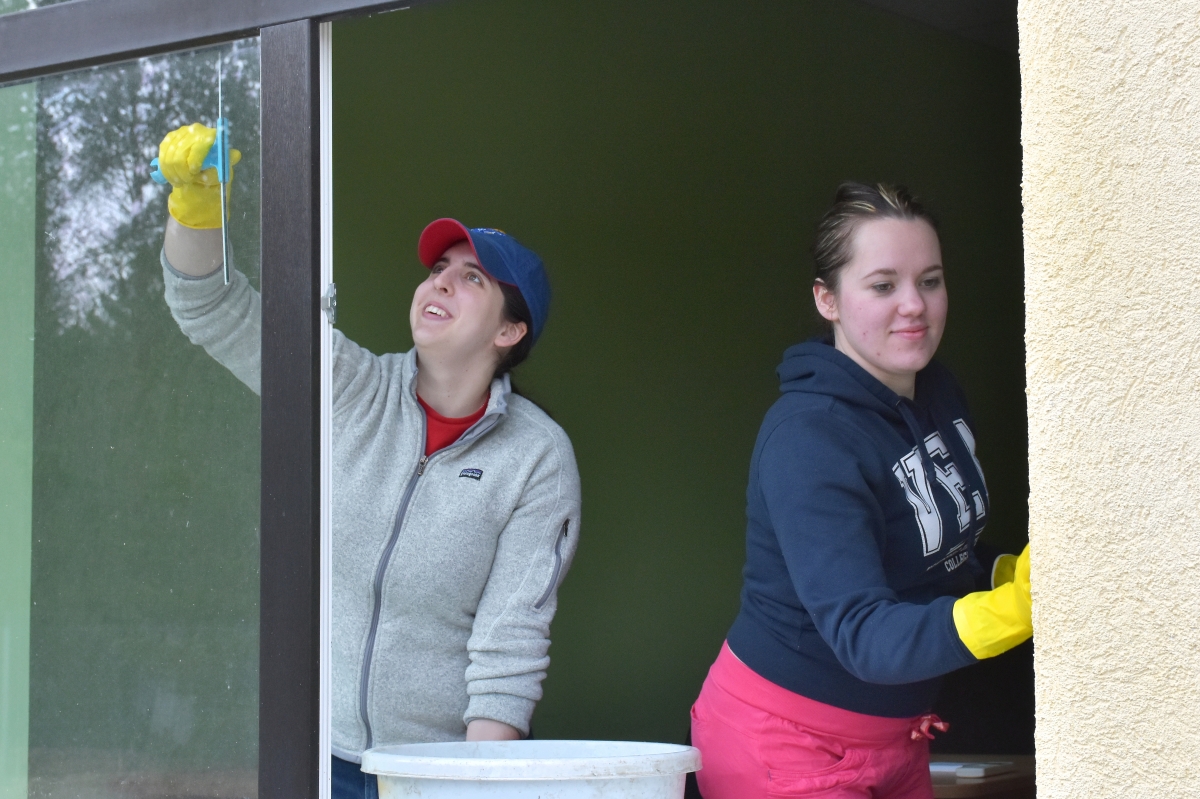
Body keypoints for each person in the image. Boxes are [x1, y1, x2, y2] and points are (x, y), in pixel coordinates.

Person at [155, 123, 582, 799]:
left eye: (471, 277)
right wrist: (195, 209)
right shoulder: (350, 386)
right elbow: (209, 305)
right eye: (438, 270)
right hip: (313, 756)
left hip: (436, 773)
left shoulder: (536, 458)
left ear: (509, 330)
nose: (441, 282)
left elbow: (509, 648)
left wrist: (474, 785)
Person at [689, 182, 1031, 799]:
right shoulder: (808, 437)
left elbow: (936, 554)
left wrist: (1004, 574)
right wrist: (1016, 610)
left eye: (930, 280)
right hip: (785, 746)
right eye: (882, 285)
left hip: (899, 740)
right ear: (828, 300)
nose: (914, 305)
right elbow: (864, 636)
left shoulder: (937, 390)